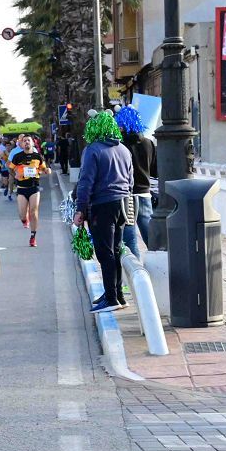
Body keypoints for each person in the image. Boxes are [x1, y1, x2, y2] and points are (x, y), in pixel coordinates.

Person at [73, 111, 133, 313]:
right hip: (123, 203)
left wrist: (80, 209)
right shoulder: (124, 149)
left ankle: (111, 298)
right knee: (116, 250)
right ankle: (117, 294)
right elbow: (130, 181)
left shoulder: (93, 150)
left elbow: (85, 182)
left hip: (102, 205)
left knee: (104, 252)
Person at [115, 106, 157, 254]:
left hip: (126, 195)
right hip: (144, 193)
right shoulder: (148, 143)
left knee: (129, 238)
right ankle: (158, 264)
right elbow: (155, 171)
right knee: (150, 234)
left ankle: (136, 271)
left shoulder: (119, 146)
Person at [9, 136, 51, 248]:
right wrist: (15, 175)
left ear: (32, 143)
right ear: (21, 144)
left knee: (34, 211)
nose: (26, 142)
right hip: (22, 188)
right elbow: (10, 168)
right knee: (22, 214)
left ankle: (33, 237)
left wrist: (47, 170)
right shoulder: (17, 157)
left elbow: (43, 168)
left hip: (34, 187)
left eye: (28, 140)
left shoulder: (37, 156)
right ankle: (24, 219)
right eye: (24, 141)